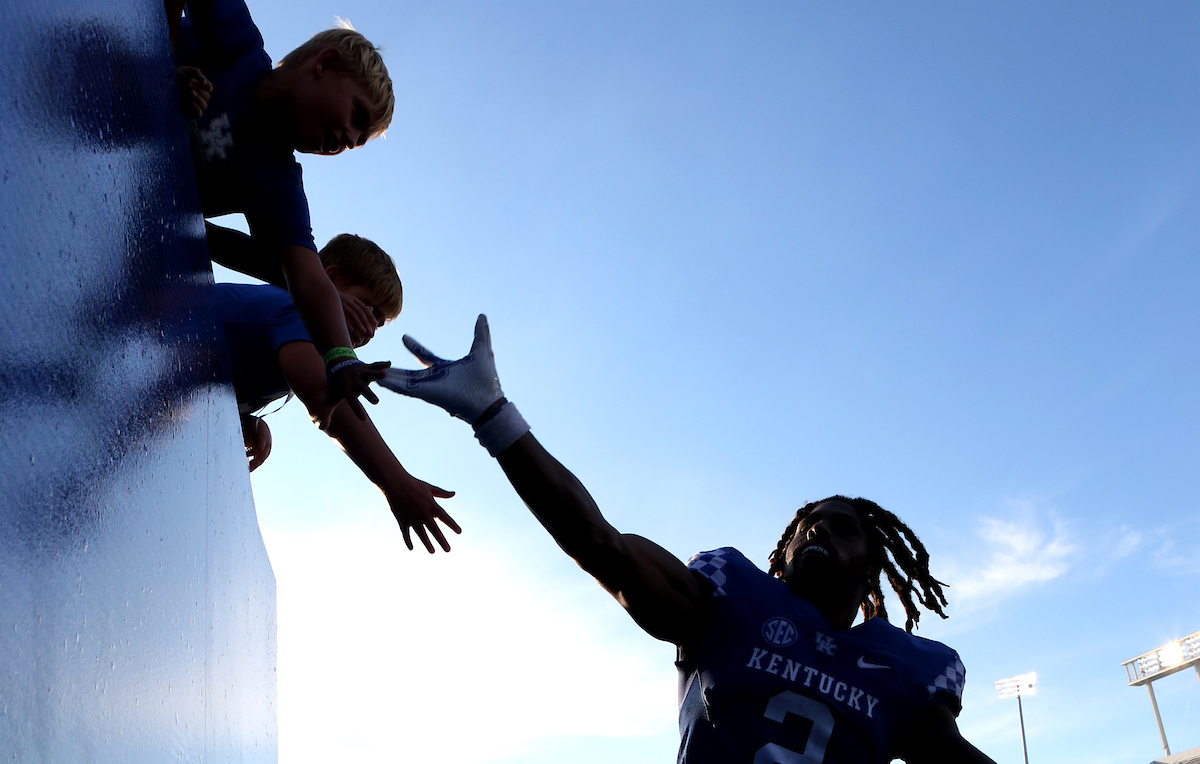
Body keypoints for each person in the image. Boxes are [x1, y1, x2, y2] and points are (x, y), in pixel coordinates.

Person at [379, 316, 998, 763]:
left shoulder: (907, 669)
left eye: (843, 528)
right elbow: (601, 545)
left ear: (871, 574)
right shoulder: (727, 600)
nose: (818, 530)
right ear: (777, 557)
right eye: (808, 522)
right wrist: (495, 417)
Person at [169, 0, 396, 428]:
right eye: (356, 115)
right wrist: (156, 65)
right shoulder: (236, 46)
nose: (347, 139)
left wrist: (341, 357)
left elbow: (304, 273)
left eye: (356, 142)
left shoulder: (278, 182)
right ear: (323, 63)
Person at [213, 234, 459, 554]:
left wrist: (247, 422)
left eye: (379, 322)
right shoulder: (294, 310)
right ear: (328, 279)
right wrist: (395, 482)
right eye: (368, 307)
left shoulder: (296, 341)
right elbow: (319, 393)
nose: (370, 327)